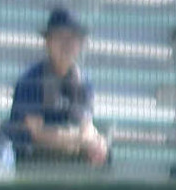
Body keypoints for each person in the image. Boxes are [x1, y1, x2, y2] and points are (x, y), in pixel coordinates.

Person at [6, 8, 109, 167]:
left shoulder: (82, 82)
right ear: (48, 42)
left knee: (104, 155)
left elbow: (85, 124)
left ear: (80, 44)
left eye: (72, 38)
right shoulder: (31, 80)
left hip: (68, 153)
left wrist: (96, 142)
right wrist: (81, 140)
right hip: (32, 158)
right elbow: (38, 134)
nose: (66, 44)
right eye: (60, 37)